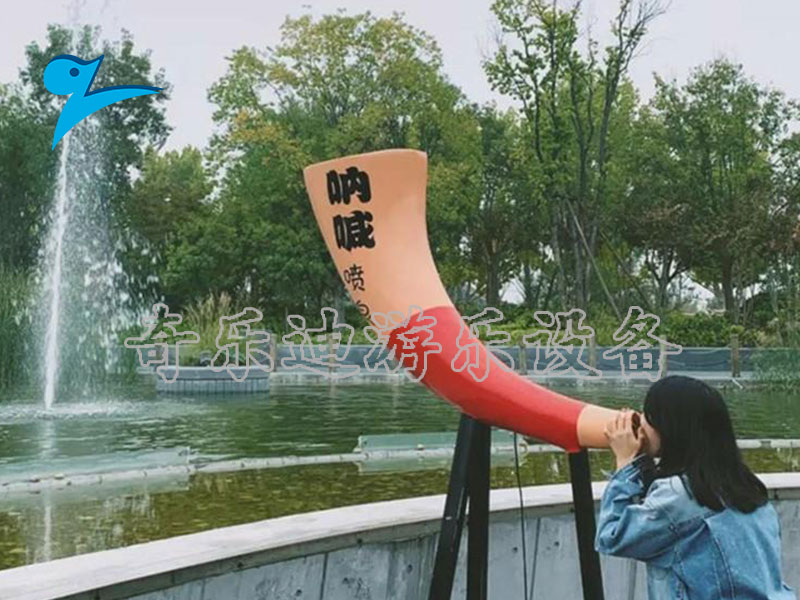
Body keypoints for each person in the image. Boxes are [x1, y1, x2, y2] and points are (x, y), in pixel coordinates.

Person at [595, 375, 796, 599]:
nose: (641, 424)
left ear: (670, 428)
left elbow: (611, 537)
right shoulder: (746, 486)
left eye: (648, 416)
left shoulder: (678, 495)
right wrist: (643, 464)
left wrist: (626, 465)